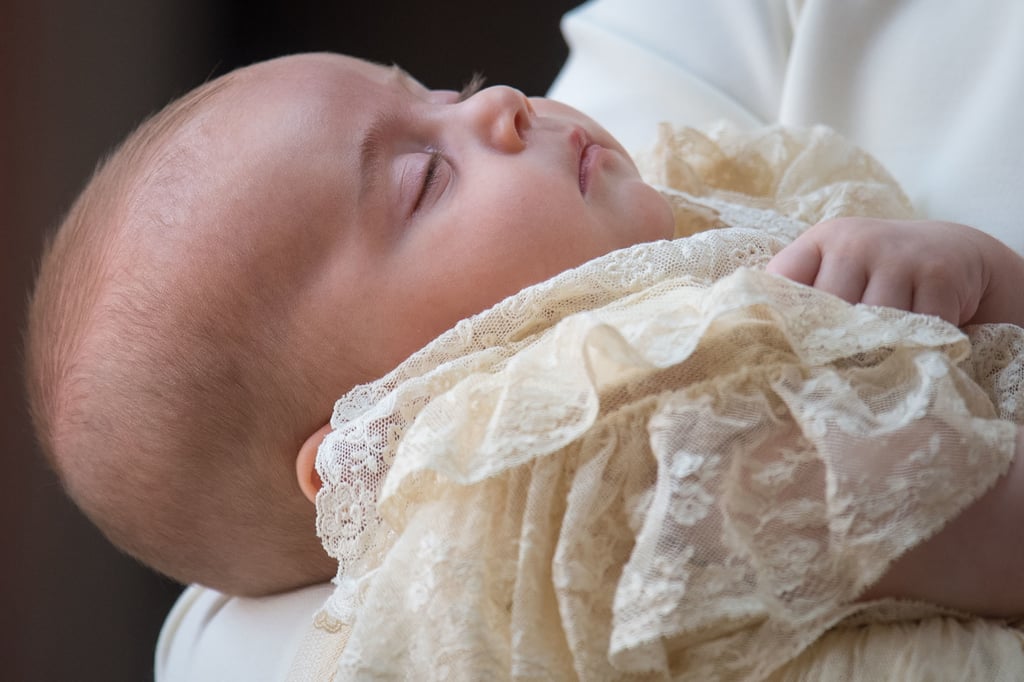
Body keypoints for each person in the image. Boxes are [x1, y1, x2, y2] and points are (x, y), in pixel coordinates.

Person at [24, 52, 1024, 678]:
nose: (499, 102)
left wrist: (973, 273)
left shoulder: (695, 216)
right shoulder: (613, 464)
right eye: (426, 177)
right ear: (376, 435)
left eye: (443, 92)